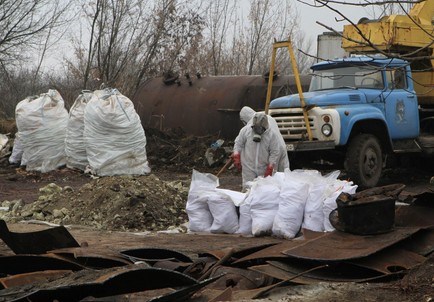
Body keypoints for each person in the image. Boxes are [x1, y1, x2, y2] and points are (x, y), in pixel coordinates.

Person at [232, 106, 290, 189]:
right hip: (249, 166)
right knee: (248, 188)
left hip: (265, 163)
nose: (258, 131)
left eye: (260, 129)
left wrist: (270, 167)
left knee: (272, 185)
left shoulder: (271, 135)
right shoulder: (246, 130)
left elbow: (274, 152)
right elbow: (238, 143)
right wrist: (236, 155)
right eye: (255, 128)